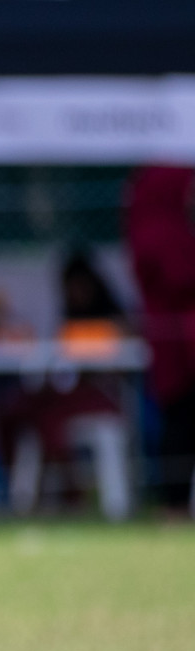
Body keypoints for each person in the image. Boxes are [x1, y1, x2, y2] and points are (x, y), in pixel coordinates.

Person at [125, 166, 195, 517]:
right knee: (180, 418)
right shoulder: (158, 227)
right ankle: (174, 506)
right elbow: (177, 275)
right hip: (175, 344)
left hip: (179, 337)